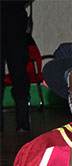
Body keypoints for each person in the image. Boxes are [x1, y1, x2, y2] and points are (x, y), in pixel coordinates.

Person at [0, 0, 31, 131]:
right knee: (19, 73)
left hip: (15, 20)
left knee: (19, 73)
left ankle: (23, 121)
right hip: (14, 17)